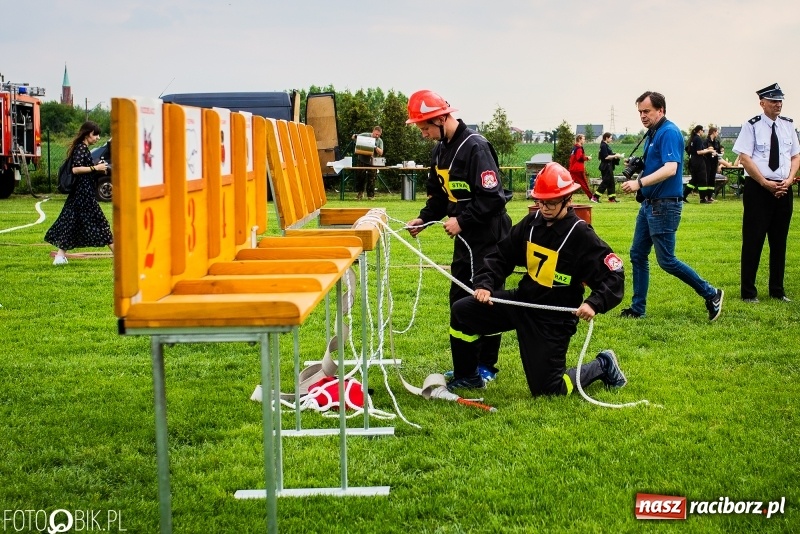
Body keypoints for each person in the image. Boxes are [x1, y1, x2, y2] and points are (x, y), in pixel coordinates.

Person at [445, 162, 627, 395]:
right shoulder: (531, 223)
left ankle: (602, 365)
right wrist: (485, 284)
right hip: (521, 302)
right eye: (541, 201)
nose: (545, 207)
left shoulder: (580, 234)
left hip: (553, 318)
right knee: (463, 311)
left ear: (568, 200)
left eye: (551, 202)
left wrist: (594, 302)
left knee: (548, 389)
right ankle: (467, 376)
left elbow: (614, 273)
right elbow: (500, 255)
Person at [404, 89, 512, 382]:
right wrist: (425, 218)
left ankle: (485, 366)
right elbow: (440, 197)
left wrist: (462, 221)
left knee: (485, 300)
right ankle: (467, 367)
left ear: (441, 118)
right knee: (460, 300)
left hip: (489, 239)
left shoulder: (476, 147)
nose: (423, 133)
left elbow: (494, 198)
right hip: (466, 242)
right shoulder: (440, 150)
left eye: (424, 127)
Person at [620, 91, 723, 320]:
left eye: (647, 111)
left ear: (661, 110)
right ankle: (638, 310)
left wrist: (639, 182)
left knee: (666, 260)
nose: (643, 116)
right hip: (649, 204)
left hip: (664, 205)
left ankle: (712, 293)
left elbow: (671, 169)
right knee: (637, 254)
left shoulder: (669, 131)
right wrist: (639, 166)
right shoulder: (654, 133)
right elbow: (656, 164)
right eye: (640, 112)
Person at [732, 82, 800, 303]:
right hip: (758, 189)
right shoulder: (751, 126)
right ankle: (749, 293)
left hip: (783, 188)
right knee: (753, 241)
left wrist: (789, 181)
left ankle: (777, 290)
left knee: (779, 242)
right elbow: (745, 158)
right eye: (772, 101)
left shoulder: (788, 125)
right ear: (762, 103)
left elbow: (795, 156)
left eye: (780, 101)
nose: (777, 104)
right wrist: (764, 182)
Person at [45, 121, 113, 265]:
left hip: (81, 192)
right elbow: (76, 169)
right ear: (89, 134)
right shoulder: (81, 148)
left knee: (71, 223)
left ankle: (59, 257)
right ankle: (119, 256)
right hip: (84, 193)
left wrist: (98, 168)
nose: (98, 138)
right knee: (100, 222)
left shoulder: (82, 148)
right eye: (96, 134)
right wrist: (95, 168)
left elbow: (82, 170)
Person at [684, 125, 716, 203]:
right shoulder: (698, 139)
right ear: (699, 131)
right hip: (698, 161)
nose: (703, 132)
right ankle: (703, 199)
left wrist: (707, 149)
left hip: (693, 161)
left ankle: (683, 196)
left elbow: (690, 149)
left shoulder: (692, 139)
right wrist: (709, 151)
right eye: (703, 131)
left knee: (694, 180)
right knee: (702, 179)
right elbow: (699, 152)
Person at [352, 126, 383, 200]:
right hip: (362, 160)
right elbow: (353, 137)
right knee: (360, 177)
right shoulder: (365, 135)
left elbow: (381, 152)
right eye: (376, 134)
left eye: (379, 135)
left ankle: (370, 196)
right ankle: (360, 193)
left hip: (372, 162)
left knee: (371, 178)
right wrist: (355, 136)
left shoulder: (379, 141)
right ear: (373, 131)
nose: (377, 136)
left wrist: (375, 147)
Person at [592, 132, 622, 203]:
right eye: (611, 138)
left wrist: (616, 154)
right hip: (606, 167)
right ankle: (595, 197)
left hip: (609, 166)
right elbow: (606, 157)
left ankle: (612, 198)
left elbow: (609, 154)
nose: (611, 139)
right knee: (605, 182)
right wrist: (615, 156)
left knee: (611, 182)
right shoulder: (603, 146)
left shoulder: (606, 145)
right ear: (606, 138)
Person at [568, 134, 593, 199]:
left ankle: (565, 196)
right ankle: (591, 197)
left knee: (570, 184)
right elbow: (579, 158)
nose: (584, 140)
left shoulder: (574, 148)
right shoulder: (579, 148)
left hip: (572, 169)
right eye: (583, 139)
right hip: (578, 169)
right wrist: (587, 158)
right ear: (579, 139)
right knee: (584, 183)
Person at [704, 126, 723, 200]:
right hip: (707, 162)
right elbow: (703, 151)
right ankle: (704, 195)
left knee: (712, 179)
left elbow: (718, 152)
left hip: (714, 162)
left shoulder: (717, 142)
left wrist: (718, 154)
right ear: (713, 132)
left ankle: (710, 196)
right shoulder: (706, 141)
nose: (717, 133)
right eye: (717, 132)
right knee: (707, 178)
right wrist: (709, 151)